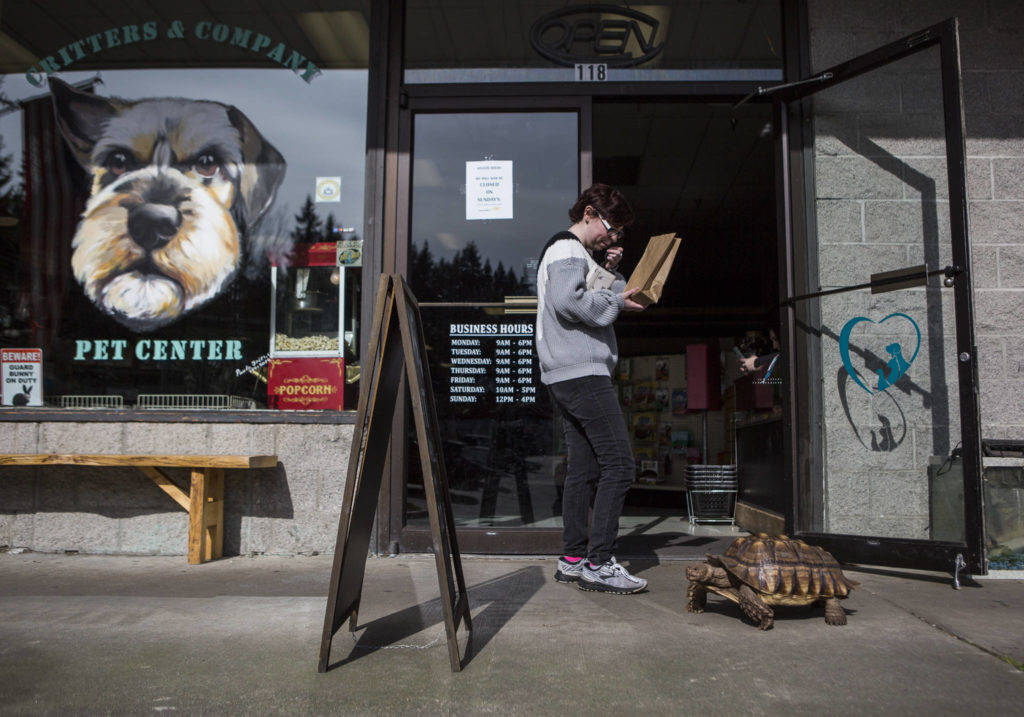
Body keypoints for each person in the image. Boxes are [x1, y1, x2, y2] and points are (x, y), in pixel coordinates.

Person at [535, 183, 648, 594]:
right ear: (587, 212)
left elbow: (592, 296)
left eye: (617, 232)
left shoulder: (574, 253)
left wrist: (616, 281)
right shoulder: (566, 249)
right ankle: (599, 562)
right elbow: (571, 302)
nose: (611, 236)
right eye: (610, 226)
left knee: (582, 469)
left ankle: (572, 560)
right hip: (581, 371)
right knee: (620, 464)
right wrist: (617, 302)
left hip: (565, 372)